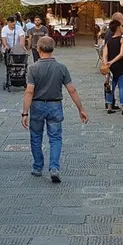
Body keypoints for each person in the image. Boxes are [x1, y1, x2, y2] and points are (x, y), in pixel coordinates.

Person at [21, 36, 88, 183]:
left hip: (37, 105)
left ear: (38, 49)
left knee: (36, 136)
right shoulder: (61, 68)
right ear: (53, 49)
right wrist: (81, 109)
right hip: (55, 105)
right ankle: (54, 167)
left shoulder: (33, 68)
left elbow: (29, 91)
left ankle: (38, 166)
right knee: (55, 137)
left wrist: (25, 112)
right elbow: (72, 90)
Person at [103, 20, 123, 115]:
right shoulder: (122, 40)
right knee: (122, 87)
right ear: (118, 28)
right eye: (121, 26)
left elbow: (104, 55)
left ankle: (109, 107)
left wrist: (107, 64)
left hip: (111, 68)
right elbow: (121, 54)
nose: (122, 28)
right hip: (121, 66)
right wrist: (112, 61)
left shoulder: (108, 42)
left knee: (110, 87)